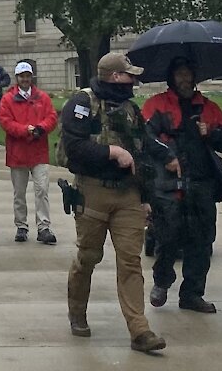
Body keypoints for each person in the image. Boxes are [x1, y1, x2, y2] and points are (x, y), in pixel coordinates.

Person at [60, 51, 165, 352]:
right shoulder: (82, 104)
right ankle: (77, 313)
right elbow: (75, 147)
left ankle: (139, 330)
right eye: (129, 74)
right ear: (115, 76)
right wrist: (112, 153)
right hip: (92, 192)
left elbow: (142, 155)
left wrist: (145, 198)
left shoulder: (131, 109)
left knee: (131, 261)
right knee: (89, 257)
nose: (134, 79)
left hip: (128, 195)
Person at [141, 57, 222, 314]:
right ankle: (162, 279)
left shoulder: (207, 107)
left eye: (188, 74)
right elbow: (145, 137)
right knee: (167, 235)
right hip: (168, 181)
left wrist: (211, 132)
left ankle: (192, 293)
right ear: (172, 77)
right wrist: (167, 157)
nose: (184, 79)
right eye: (180, 74)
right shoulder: (156, 105)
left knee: (202, 240)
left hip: (201, 181)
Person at [0, 61, 58, 244]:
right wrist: (26, 130)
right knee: (19, 193)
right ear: (17, 78)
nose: (25, 79)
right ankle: (21, 226)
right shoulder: (8, 99)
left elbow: (52, 117)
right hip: (18, 152)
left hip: (38, 151)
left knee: (42, 190)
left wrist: (41, 128)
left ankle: (44, 227)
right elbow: (5, 122)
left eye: (27, 76)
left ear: (31, 77)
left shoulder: (42, 97)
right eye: (22, 76)